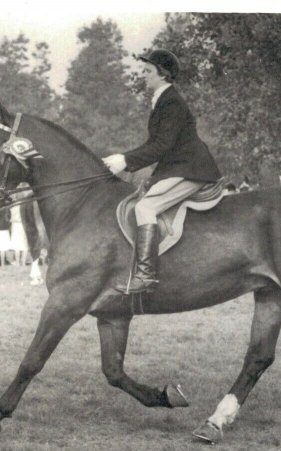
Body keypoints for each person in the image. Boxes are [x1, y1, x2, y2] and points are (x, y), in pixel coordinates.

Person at [102, 48, 221, 294]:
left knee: (145, 208)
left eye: (148, 71)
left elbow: (162, 146)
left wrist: (126, 160)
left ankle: (146, 276)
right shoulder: (162, 100)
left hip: (191, 169)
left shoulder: (172, 103)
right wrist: (132, 165)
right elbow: (159, 148)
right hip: (178, 166)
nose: (143, 75)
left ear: (163, 74)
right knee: (143, 199)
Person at [9, 196, 29, 266]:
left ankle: (17, 262)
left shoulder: (12, 205)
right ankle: (23, 262)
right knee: (24, 245)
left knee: (16, 244)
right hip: (23, 224)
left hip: (15, 224)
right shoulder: (24, 205)